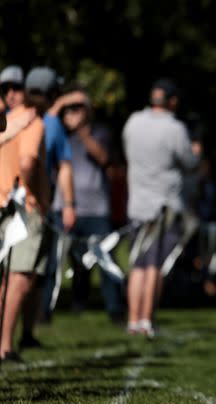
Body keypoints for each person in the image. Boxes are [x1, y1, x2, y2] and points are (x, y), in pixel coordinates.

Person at [41, 85, 124, 322]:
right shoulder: (58, 133)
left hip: (96, 209)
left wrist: (83, 133)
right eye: (70, 108)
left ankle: (116, 310)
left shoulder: (99, 133)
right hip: (64, 207)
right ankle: (45, 311)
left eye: (79, 107)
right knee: (56, 262)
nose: (74, 112)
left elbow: (104, 158)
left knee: (105, 260)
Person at [123, 78, 198, 337]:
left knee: (138, 264)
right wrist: (196, 152)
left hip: (137, 204)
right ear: (172, 101)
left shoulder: (132, 122)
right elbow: (189, 162)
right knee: (155, 265)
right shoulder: (175, 128)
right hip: (163, 205)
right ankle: (146, 320)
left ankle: (133, 320)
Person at [19, 67, 76, 349]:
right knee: (29, 274)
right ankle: (20, 335)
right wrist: (66, 204)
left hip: (11, 202)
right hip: (32, 206)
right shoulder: (49, 123)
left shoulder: (12, 117)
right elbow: (59, 166)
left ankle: (22, 334)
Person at [0, 73, 50, 362]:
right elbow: (27, 163)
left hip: (6, 206)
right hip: (24, 208)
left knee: (7, 280)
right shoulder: (33, 123)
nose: (10, 94)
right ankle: (5, 346)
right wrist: (38, 196)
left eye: (14, 88)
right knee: (19, 279)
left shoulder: (14, 121)